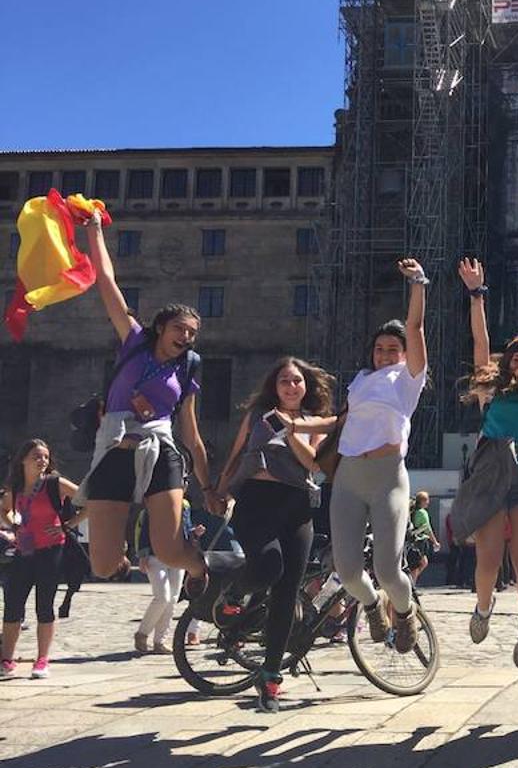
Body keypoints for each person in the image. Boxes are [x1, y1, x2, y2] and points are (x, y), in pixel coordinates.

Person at [293, 259, 429, 666]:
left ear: (405, 355)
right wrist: (296, 424)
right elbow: (340, 421)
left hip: (387, 476)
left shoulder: (408, 379)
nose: (385, 354)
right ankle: (370, 608)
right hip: (349, 475)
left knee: (388, 570)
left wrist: (419, 284)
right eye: (379, 348)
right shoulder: (361, 379)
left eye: (393, 349)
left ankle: (404, 614)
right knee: (349, 571)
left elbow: (417, 328)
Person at [74, 213, 214, 594]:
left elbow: (190, 430)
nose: (186, 336)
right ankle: (122, 559)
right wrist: (94, 230)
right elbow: (106, 282)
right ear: (160, 328)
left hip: (159, 446)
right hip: (115, 445)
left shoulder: (188, 368)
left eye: (192, 333)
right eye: (179, 329)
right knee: (101, 565)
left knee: (170, 550)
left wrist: (208, 485)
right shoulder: (133, 341)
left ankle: (200, 568)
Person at [213, 356, 334, 712]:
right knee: (268, 566)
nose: (291, 386)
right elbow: (236, 456)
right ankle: (234, 593)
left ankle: (270, 679)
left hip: (296, 506)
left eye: (297, 380)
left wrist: (289, 429)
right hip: (255, 499)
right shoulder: (257, 418)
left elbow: (312, 462)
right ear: (274, 386)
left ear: (306, 386)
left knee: (286, 594)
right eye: (284, 380)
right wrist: (219, 491)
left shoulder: (314, 423)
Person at [452, 258, 518, 667]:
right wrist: (477, 294)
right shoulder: (491, 386)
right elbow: (480, 343)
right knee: (489, 558)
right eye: (515, 353)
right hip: (492, 468)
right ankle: (483, 606)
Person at [1, 440, 79, 678]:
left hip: (51, 550)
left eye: (45, 457)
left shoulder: (55, 483)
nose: (42, 461)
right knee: (13, 605)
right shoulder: (15, 486)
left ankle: (42, 660)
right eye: (37, 456)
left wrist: (67, 526)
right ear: (23, 460)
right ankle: (6, 659)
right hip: (23, 551)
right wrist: (11, 524)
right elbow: (4, 509)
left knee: (44, 605)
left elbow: (90, 501)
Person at [133, 487, 204, 654]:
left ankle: (160, 641)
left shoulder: (185, 505)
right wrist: (143, 555)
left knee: (172, 599)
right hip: (155, 556)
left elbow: (185, 530)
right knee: (162, 597)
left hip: (178, 556)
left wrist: (194, 533)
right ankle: (142, 633)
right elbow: (145, 530)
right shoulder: (156, 502)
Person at [406, 491, 440, 585]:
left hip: (414, 541)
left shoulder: (414, 511)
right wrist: (435, 542)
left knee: (422, 563)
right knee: (418, 564)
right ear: (423, 501)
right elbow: (427, 529)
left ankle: (411, 583)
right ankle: (411, 584)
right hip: (420, 542)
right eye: (427, 500)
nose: (428, 502)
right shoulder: (422, 512)